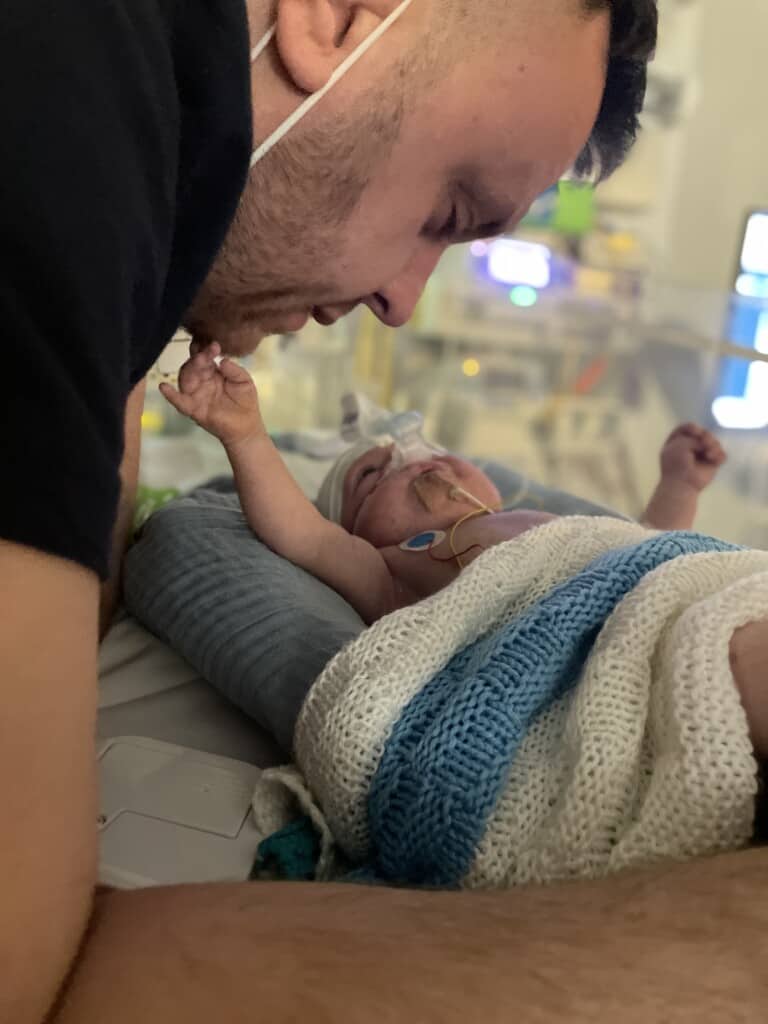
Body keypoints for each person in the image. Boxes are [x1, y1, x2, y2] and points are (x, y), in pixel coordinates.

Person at [10, 2, 763, 1023]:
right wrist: (245, 438)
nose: (404, 300)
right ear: (335, 16)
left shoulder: (108, 166)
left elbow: (661, 548)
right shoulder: (65, 122)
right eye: (448, 213)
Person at [161, 343, 768, 771]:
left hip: (668, 600)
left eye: (431, 452)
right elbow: (302, 534)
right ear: (356, 527)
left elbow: (652, 551)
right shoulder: (391, 568)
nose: (412, 461)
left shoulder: (547, 523)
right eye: (374, 477)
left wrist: (679, 486)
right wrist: (245, 436)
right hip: (614, 666)